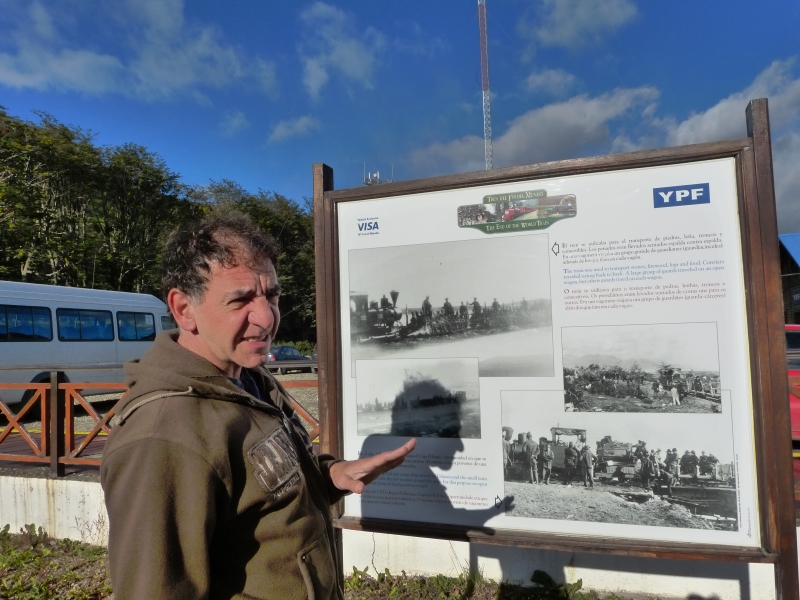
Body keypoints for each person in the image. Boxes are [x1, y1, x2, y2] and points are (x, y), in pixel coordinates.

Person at [100, 213, 416, 600]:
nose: (266, 317)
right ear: (184, 309)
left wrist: (330, 475)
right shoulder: (161, 436)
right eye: (240, 299)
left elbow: (261, 490)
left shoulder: (249, 380)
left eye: (272, 296)